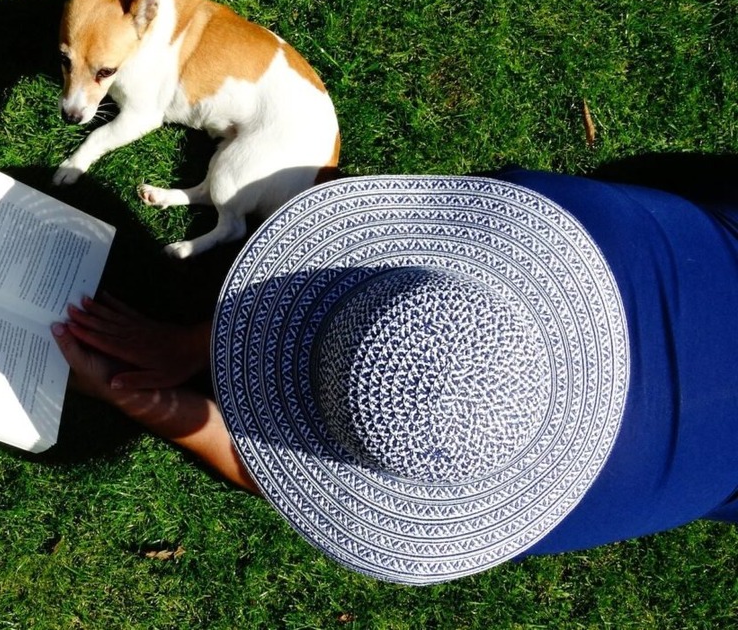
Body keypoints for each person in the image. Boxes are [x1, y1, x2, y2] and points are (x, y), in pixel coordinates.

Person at [50, 167, 738, 584]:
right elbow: (302, 472)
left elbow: (285, 473)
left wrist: (149, 397)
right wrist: (192, 352)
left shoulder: (547, 213)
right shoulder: (556, 212)